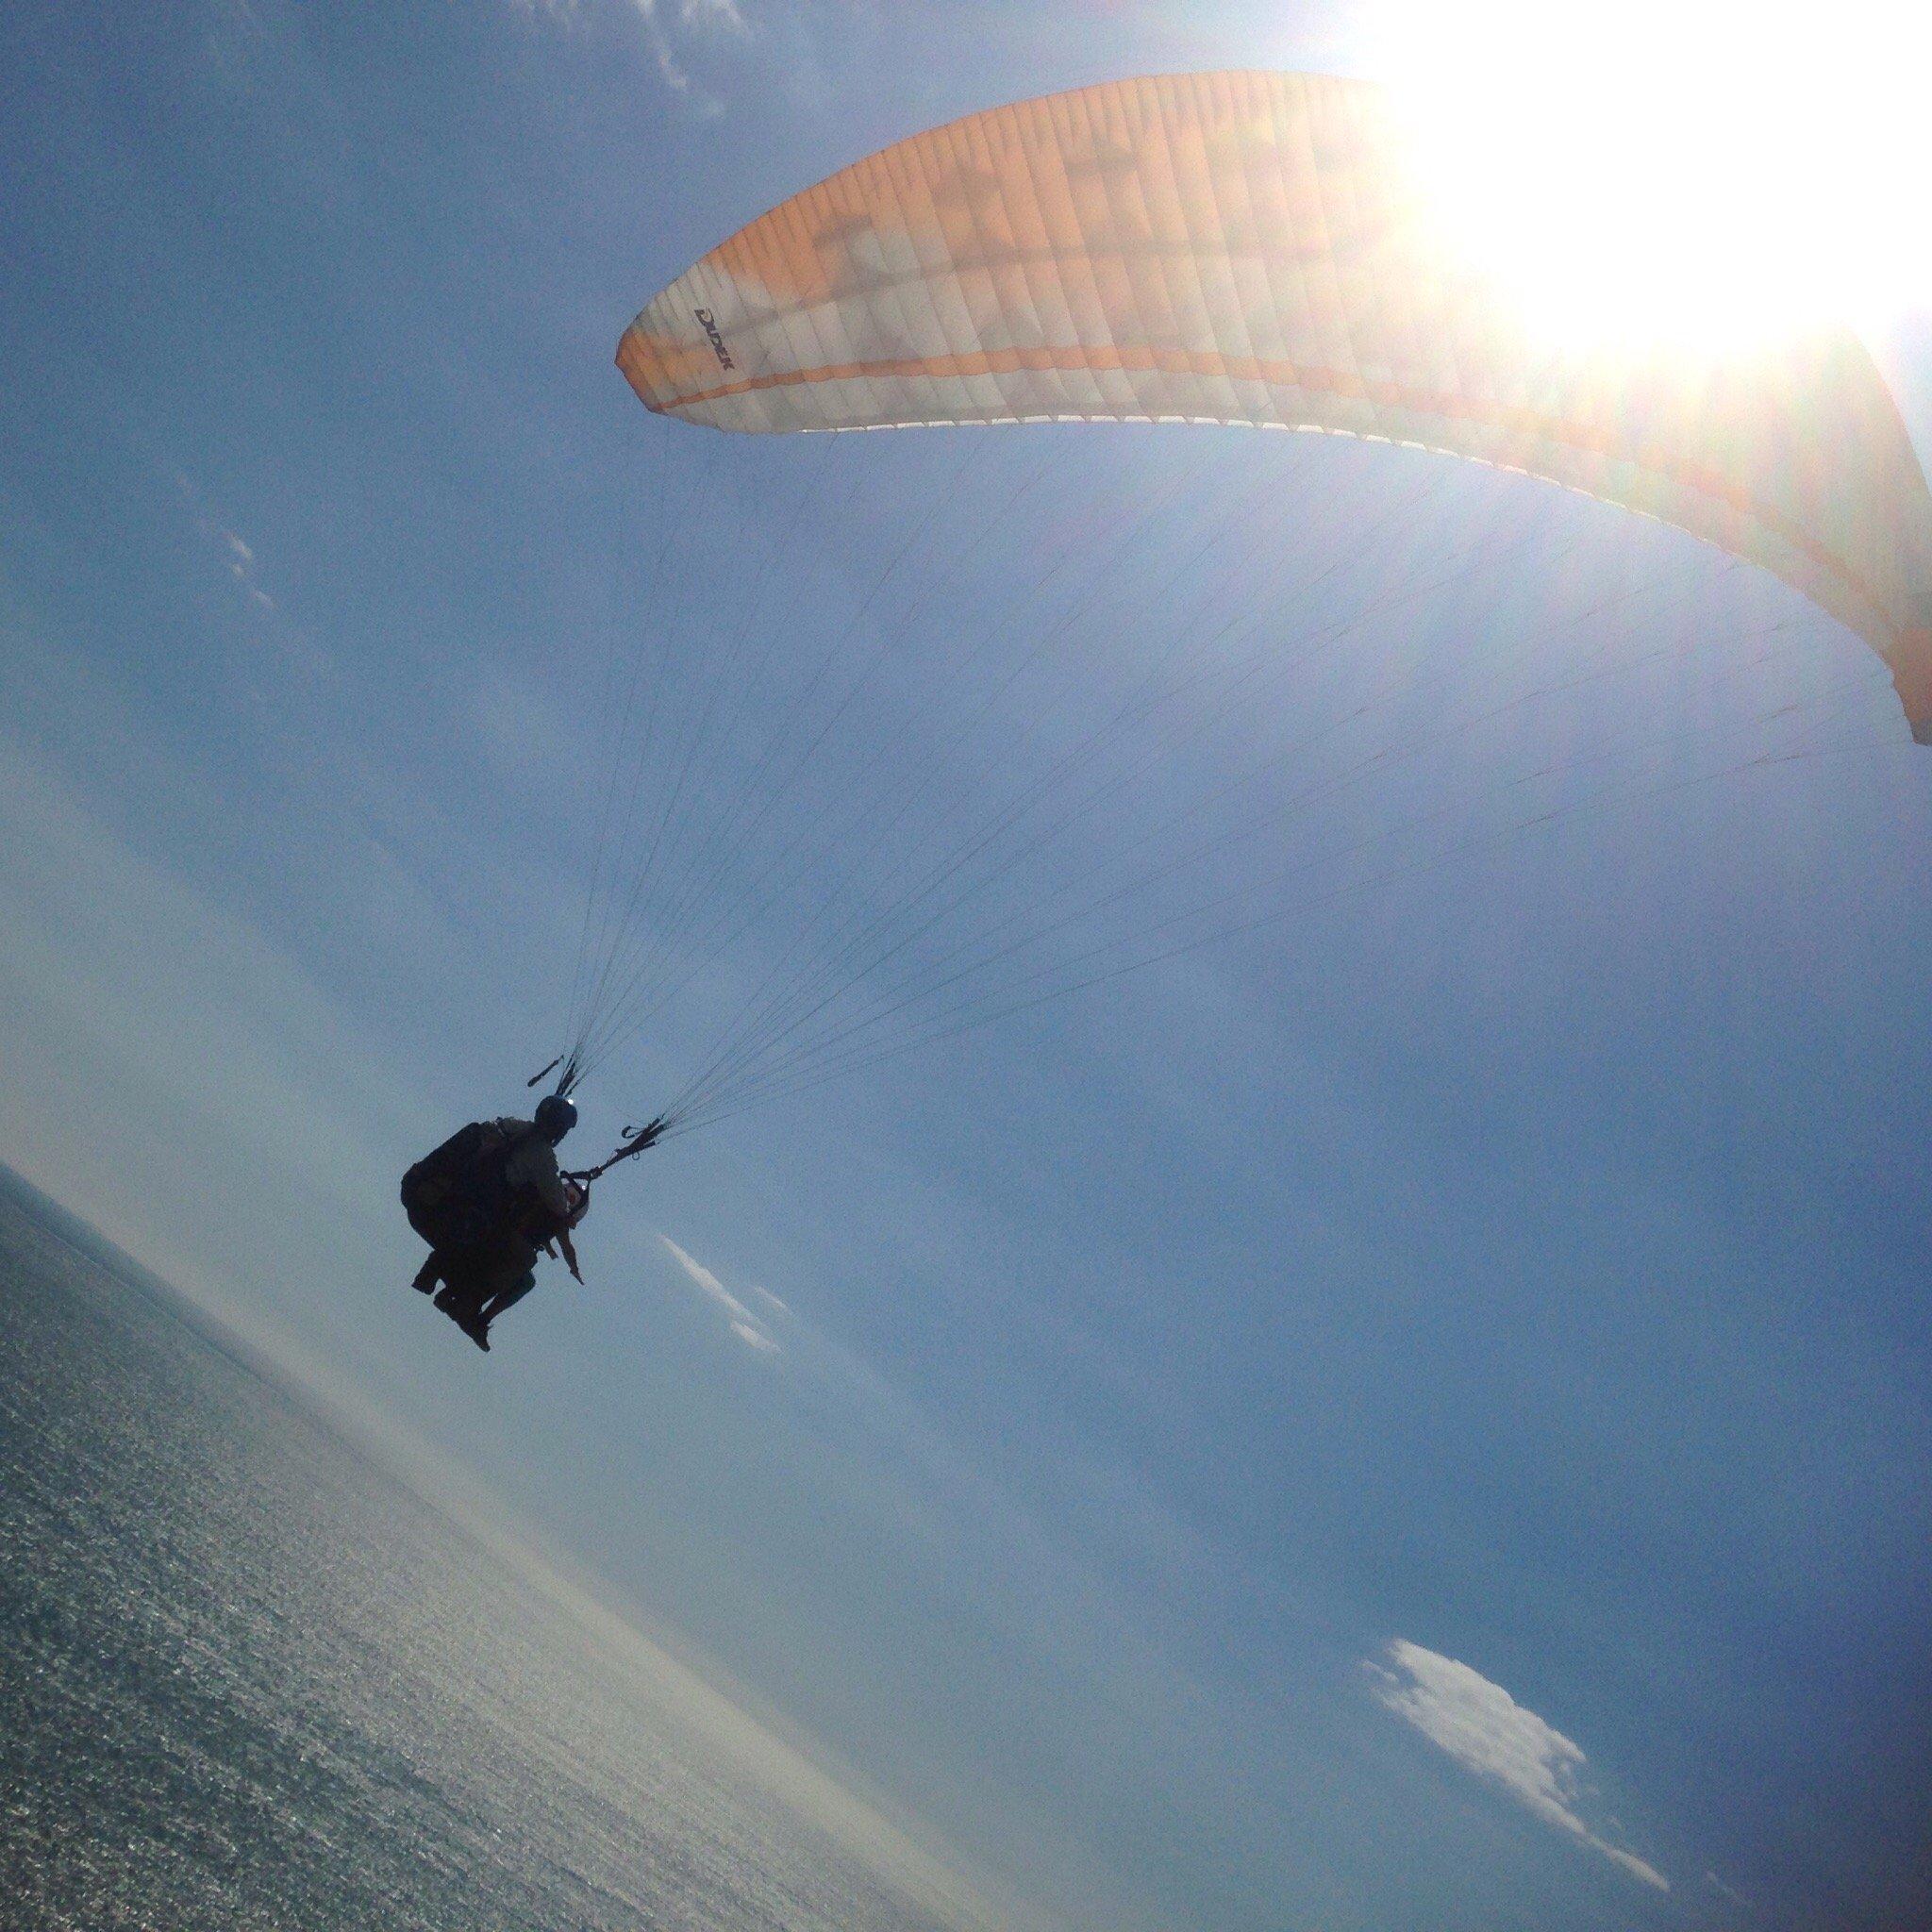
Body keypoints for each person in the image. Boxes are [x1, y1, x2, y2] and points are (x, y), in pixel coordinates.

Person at [401, 1094, 583, 1346]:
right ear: (559, 1130)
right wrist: (566, 1217)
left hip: (426, 1197)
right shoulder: (542, 1157)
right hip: (455, 1220)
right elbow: (556, 1203)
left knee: (495, 1232)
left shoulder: (510, 1126)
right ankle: (464, 1303)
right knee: (523, 1258)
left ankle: (442, 1277)